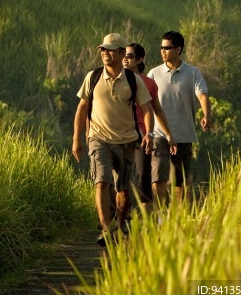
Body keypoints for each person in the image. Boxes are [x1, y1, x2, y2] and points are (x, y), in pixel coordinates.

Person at [72, 33, 157, 246]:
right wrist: (76, 139)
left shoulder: (133, 80)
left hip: (127, 141)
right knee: (101, 181)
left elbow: (147, 109)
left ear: (121, 53)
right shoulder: (93, 77)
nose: (105, 53)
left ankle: (119, 224)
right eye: (103, 49)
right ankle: (106, 229)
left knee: (123, 190)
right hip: (98, 139)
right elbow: (82, 107)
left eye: (110, 50)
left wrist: (149, 133)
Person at [147, 30, 211, 204]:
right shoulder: (154, 73)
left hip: (184, 134)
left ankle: (178, 217)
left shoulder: (192, 73)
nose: (162, 51)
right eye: (161, 47)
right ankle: (159, 215)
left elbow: (202, 95)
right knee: (158, 175)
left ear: (178, 49)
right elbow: (145, 103)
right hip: (159, 133)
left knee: (181, 180)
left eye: (167, 48)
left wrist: (206, 114)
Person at [122, 42, 174, 214]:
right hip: (118, 134)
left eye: (129, 56)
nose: (125, 59)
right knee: (121, 179)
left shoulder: (148, 83)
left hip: (141, 136)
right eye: (124, 55)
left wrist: (168, 134)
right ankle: (121, 219)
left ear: (139, 59)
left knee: (143, 179)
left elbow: (156, 109)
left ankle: (145, 223)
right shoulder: (116, 79)